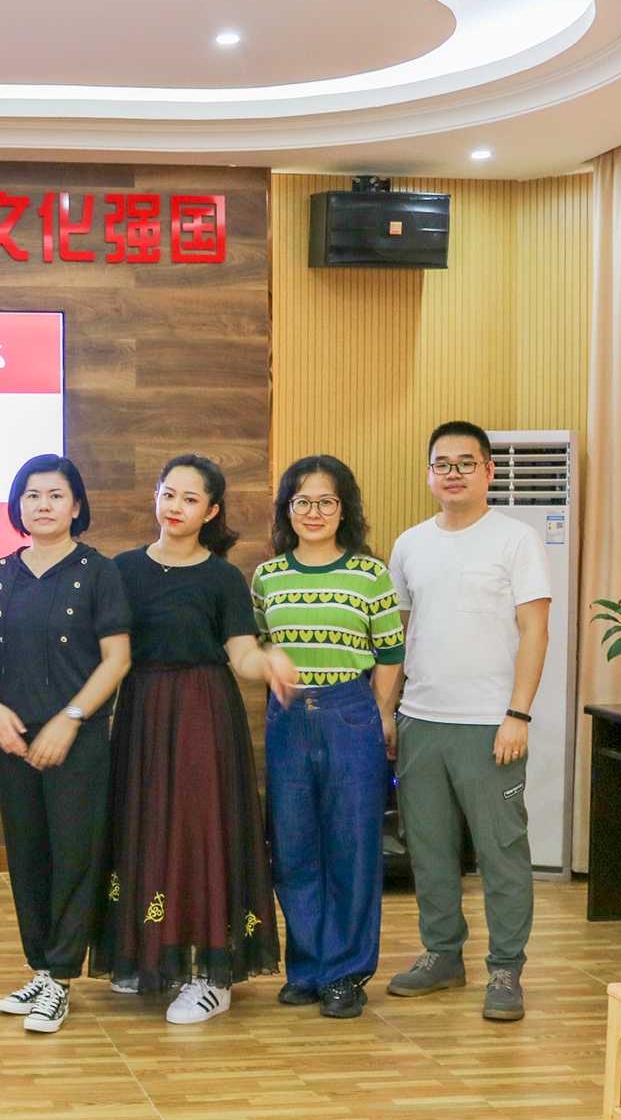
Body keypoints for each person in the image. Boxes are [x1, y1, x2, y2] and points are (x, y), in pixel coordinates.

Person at [92, 454, 296, 1025]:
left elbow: (242, 654)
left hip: (204, 714)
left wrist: (269, 662)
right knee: (147, 826)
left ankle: (212, 975)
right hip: (141, 712)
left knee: (200, 832)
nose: (175, 507)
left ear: (210, 511)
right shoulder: (122, 569)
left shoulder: (222, 577)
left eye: (190, 498)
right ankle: (152, 957)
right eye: (168, 494)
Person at [385, 420, 550, 1022]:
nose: (452, 473)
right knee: (428, 849)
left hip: (491, 725)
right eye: (442, 464)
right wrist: (388, 710)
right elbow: (399, 637)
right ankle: (442, 955)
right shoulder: (409, 545)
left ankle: (505, 969)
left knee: (501, 851)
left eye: (465, 462)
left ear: (488, 471)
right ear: (429, 473)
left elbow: (535, 629)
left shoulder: (516, 540)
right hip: (421, 720)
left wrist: (517, 714)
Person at [0, 454, 131, 1035]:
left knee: (73, 856)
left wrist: (71, 719)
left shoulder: (99, 571)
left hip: (76, 740)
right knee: (28, 854)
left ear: (76, 505)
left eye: (56, 495)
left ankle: (61, 977)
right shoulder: (0, 574)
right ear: (18, 505)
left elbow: (117, 659)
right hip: (12, 738)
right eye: (32, 495)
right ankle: (40, 968)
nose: (43, 505)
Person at [251, 455, 404, 1020]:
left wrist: (381, 713)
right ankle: (307, 968)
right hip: (288, 717)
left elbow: (390, 652)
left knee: (352, 847)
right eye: (302, 502)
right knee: (292, 848)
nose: (313, 512)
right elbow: (260, 645)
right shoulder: (268, 577)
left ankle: (345, 973)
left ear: (344, 509)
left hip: (350, 712)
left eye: (326, 501)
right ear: (287, 510)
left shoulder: (370, 574)